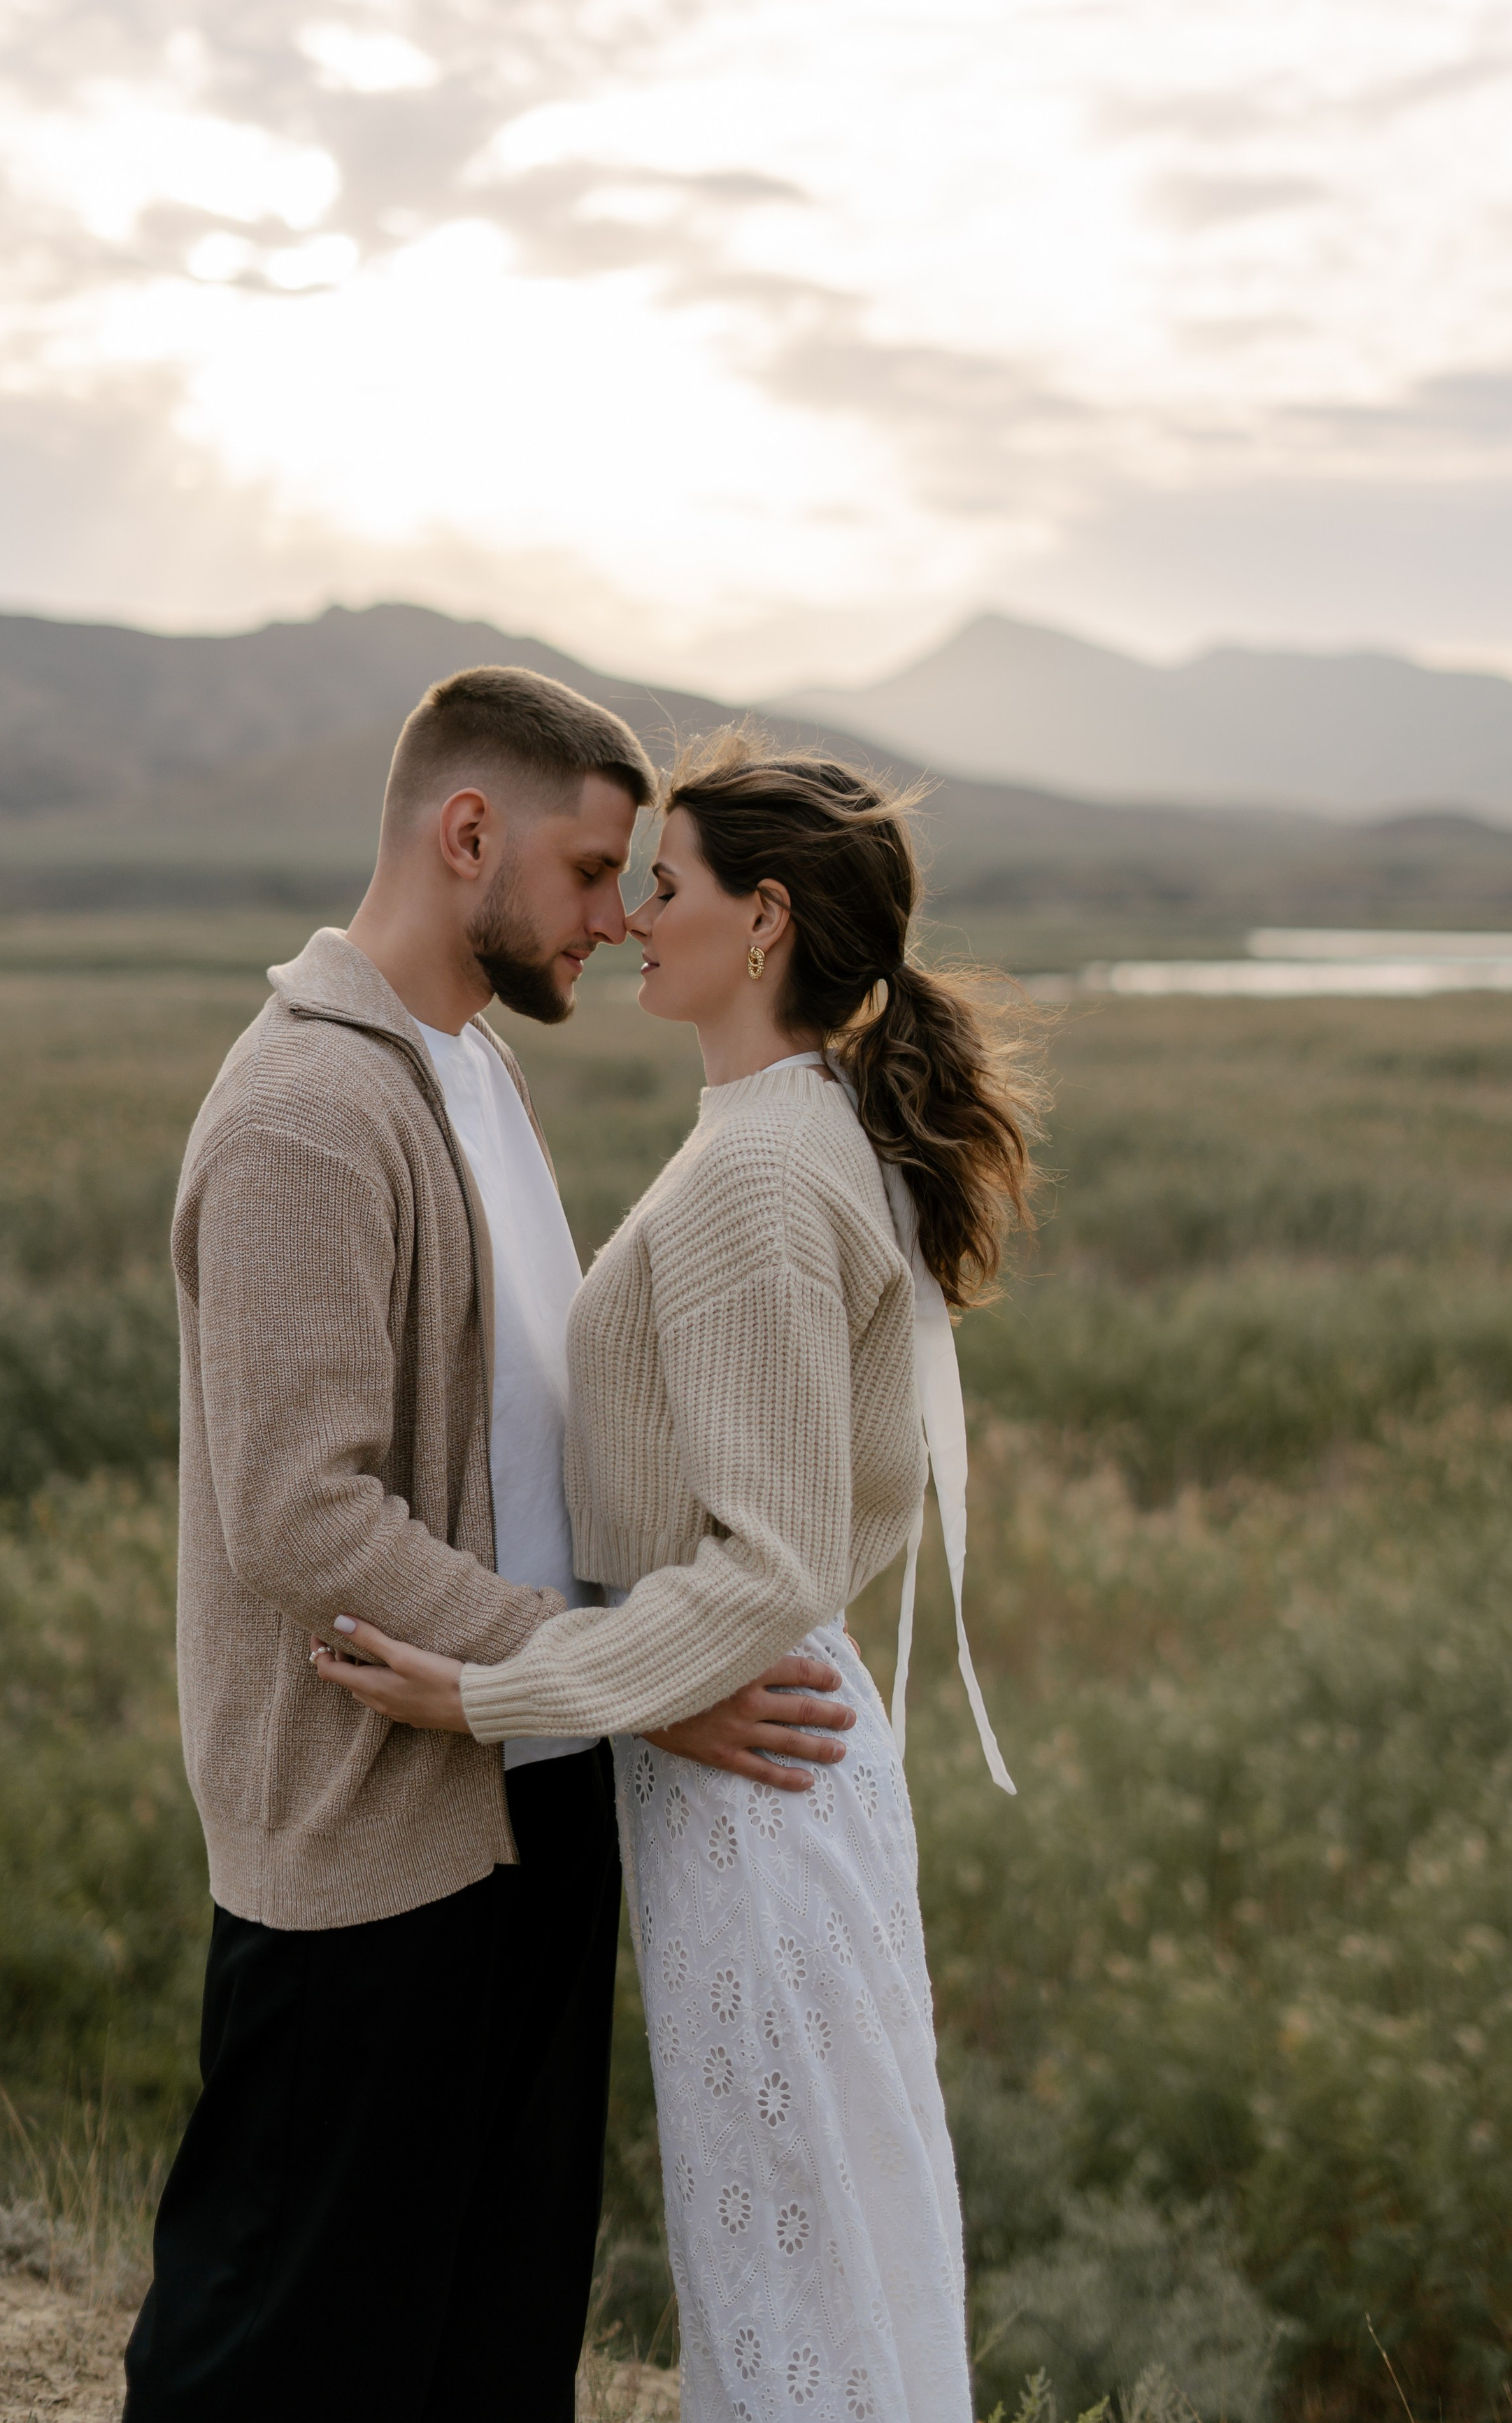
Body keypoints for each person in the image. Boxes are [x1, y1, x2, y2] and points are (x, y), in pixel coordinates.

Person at [123, 672, 857, 2423]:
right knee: (279, 2351)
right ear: (469, 834)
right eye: (594, 871)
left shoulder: (474, 1071)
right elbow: (299, 1513)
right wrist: (620, 1681)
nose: (615, 918)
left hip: (527, 1802)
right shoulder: (310, 1109)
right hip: (368, 1840)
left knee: (492, 2334)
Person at [311, 725, 1042, 2423]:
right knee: (815, 2237)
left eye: (667, 884)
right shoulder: (795, 1130)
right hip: (768, 1743)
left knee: (793, 2253)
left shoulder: (758, 1174)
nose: (632, 918)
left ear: (762, 920)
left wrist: (495, 1690)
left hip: (755, 1767)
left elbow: (767, 1564)